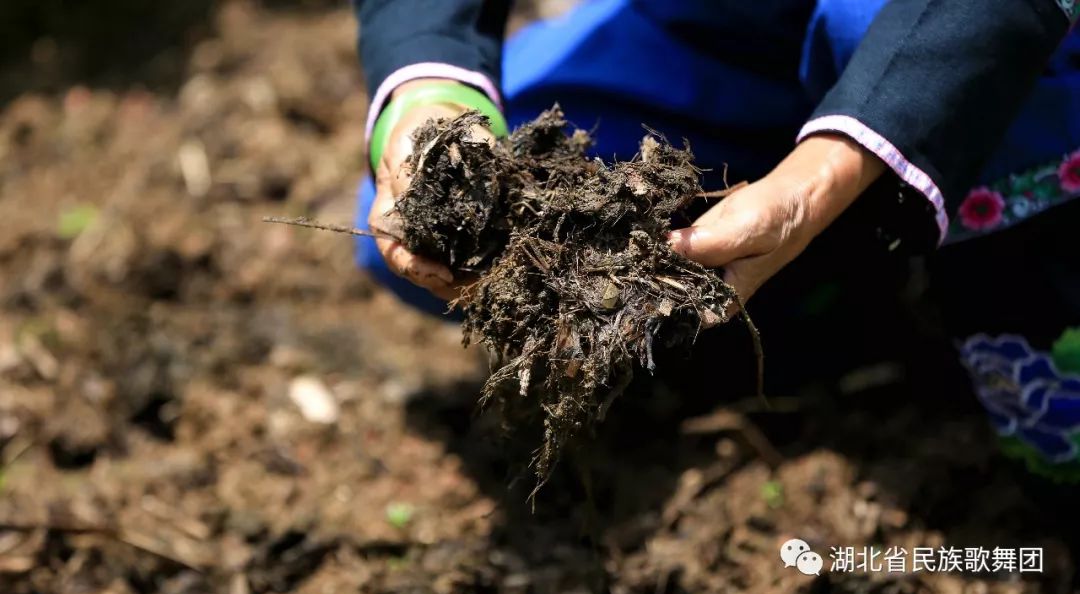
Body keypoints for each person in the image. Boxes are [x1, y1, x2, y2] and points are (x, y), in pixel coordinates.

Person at [352, 1, 1080, 484]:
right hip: (721, 26)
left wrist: (822, 176)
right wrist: (429, 93)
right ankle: (835, 294)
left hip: (966, 33)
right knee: (442, 224)